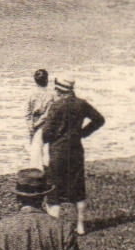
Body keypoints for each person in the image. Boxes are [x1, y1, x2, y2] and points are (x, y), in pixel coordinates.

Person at [41, 77, 105, 235]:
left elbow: (46, 133)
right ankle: (81, 226)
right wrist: (83, 133)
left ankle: (54, 231)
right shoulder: (81, 104)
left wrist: (45, 137)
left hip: (58, 151)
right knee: (78, 189)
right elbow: (99, 120)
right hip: (76, 149)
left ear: (59, 90)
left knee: (54, 191)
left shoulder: (56, 106)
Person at [24, 68, 54, 168]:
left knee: (34, 149)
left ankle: (36, 169)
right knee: (44, 149)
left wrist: (30, 125)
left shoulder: (31, 94)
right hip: (44, 124)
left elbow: (27, 112)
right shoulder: (51, 95)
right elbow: (47, 114)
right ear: (46, 80)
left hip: (33, 122)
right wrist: (37, 124)